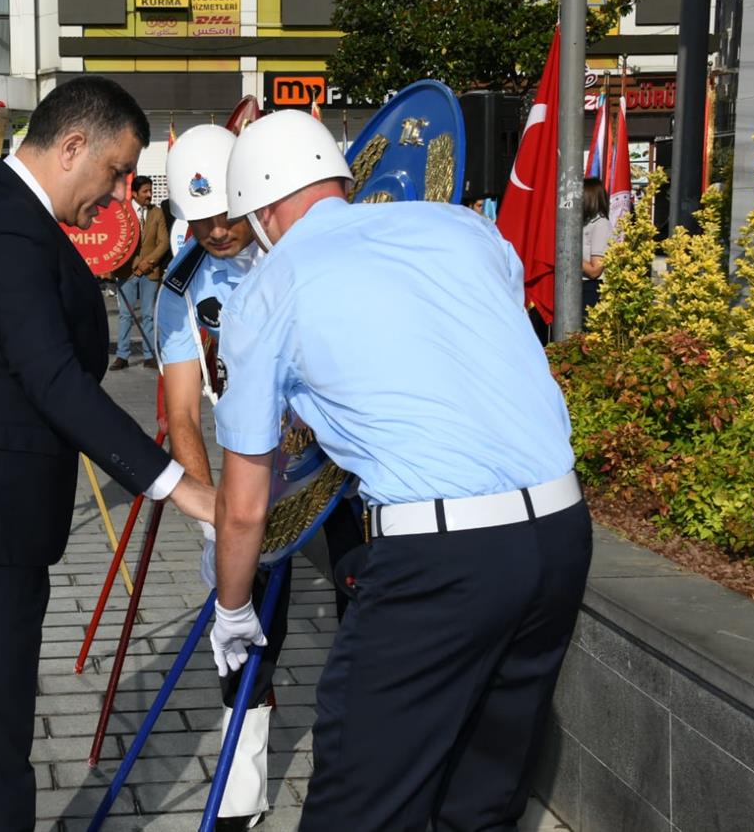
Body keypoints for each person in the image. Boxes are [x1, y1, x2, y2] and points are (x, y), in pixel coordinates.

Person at [209, 110, 592, 831]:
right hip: (562, 531)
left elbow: (244, 504)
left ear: (261, 212)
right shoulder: (461, 227)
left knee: (359, 801)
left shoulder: (271, 287)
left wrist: (233, 611)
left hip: (442, 559)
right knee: (479, 800)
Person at [0, 75, 215, 831]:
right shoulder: (4, 223)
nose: (123, 192)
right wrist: (181, 486)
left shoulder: (0, 208)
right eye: (118, 171)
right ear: (70, 146)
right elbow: (55, 378)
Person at [155, 124, 276, 830]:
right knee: (244, 634)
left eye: (228, 214)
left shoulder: (288, 245)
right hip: (255, 474)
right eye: (201, 222)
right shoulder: (181, 287)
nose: (220, 231)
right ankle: (243, 797)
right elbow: (182, 413)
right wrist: (209, 521)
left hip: (341, 465)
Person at [108, 175, 166, 369]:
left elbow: (163, 242)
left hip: (150, 272)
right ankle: (122, 356)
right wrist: (134, 264)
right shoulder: (122, 212)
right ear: (134, 193)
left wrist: (147, 263)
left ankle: (150, 354)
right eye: (145, 191)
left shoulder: (157, 213)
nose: (149, 195)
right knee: (125, 315)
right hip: (127, 272)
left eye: (150, 191)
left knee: (148, 315)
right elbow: (116, 239)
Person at [581, 177, 612, 326]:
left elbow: (595, 270)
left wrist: (569, 255)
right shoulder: (583, 223)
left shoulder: (600, 224)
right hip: (576, 285)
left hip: (590, 289)